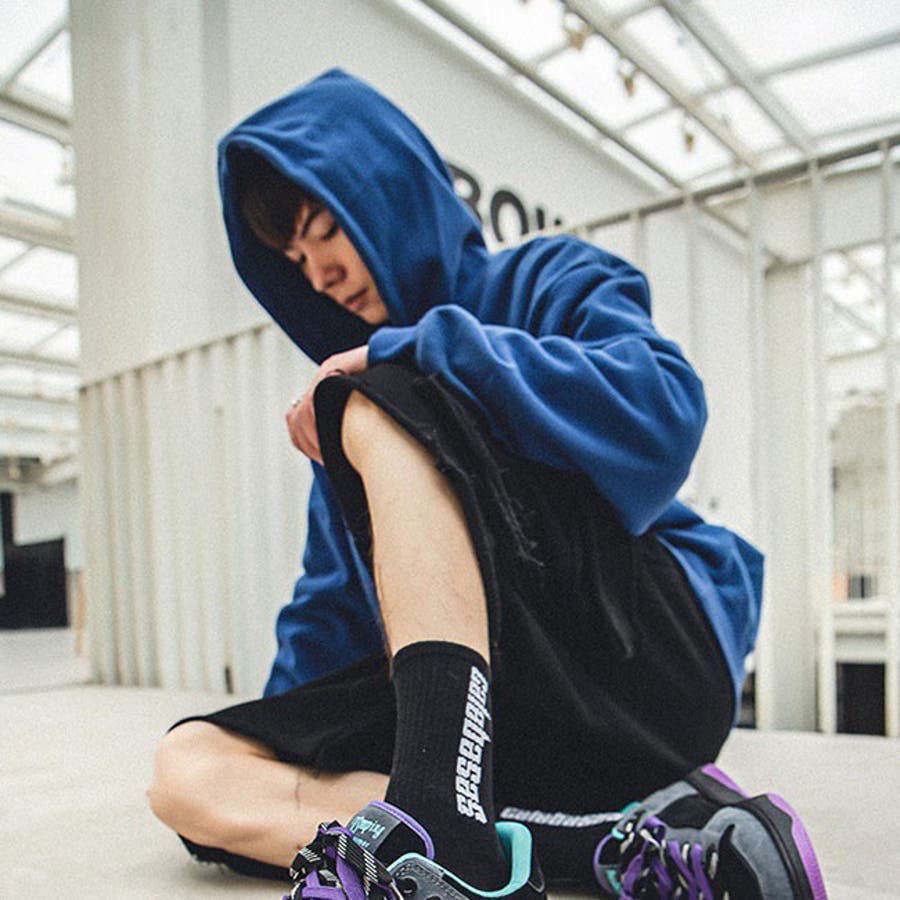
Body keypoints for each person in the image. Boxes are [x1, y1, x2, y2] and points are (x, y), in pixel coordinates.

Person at [147, 69, 827, 899]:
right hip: (496, 720)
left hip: (641, 656)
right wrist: (289, 735)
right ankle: (578, 842)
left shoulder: (544, 280)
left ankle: (447, 818)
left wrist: (422, 354)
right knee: (190, 769)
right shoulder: (364, 416)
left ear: (388, 192)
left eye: (326, 231)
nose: (318, 274)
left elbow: (665, 412)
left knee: (371, 399)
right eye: (295, 258)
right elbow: (327, 616)